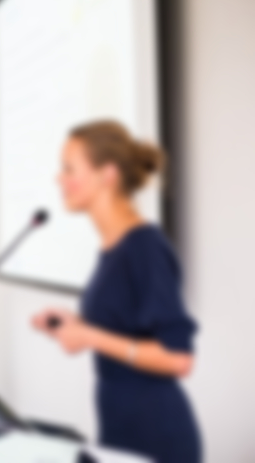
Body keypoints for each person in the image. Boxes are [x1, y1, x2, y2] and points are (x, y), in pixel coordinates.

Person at [32, 120, 202, 463]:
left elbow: (178, 358)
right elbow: (125, 328)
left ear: (106, 175)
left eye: (69, 168)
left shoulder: (145, 247)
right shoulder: (114, 248)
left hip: (157, 439)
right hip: (121, 431)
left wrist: (90, 336)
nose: (58, 178)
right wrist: (76, 325)